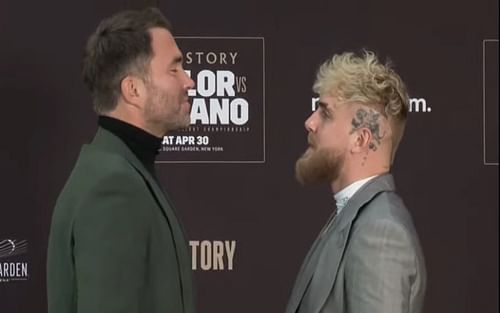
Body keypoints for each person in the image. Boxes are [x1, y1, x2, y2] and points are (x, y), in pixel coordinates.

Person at [47, 7, 195, 313]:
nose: (189, 81)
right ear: (133, 90)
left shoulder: (122, 169)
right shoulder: (114, 186)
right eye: (174, 69)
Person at [286, 51, 426, 313]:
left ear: (360, 139)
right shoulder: (352, 216)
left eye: (325, 113)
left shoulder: (381, 234)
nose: (310, 122)